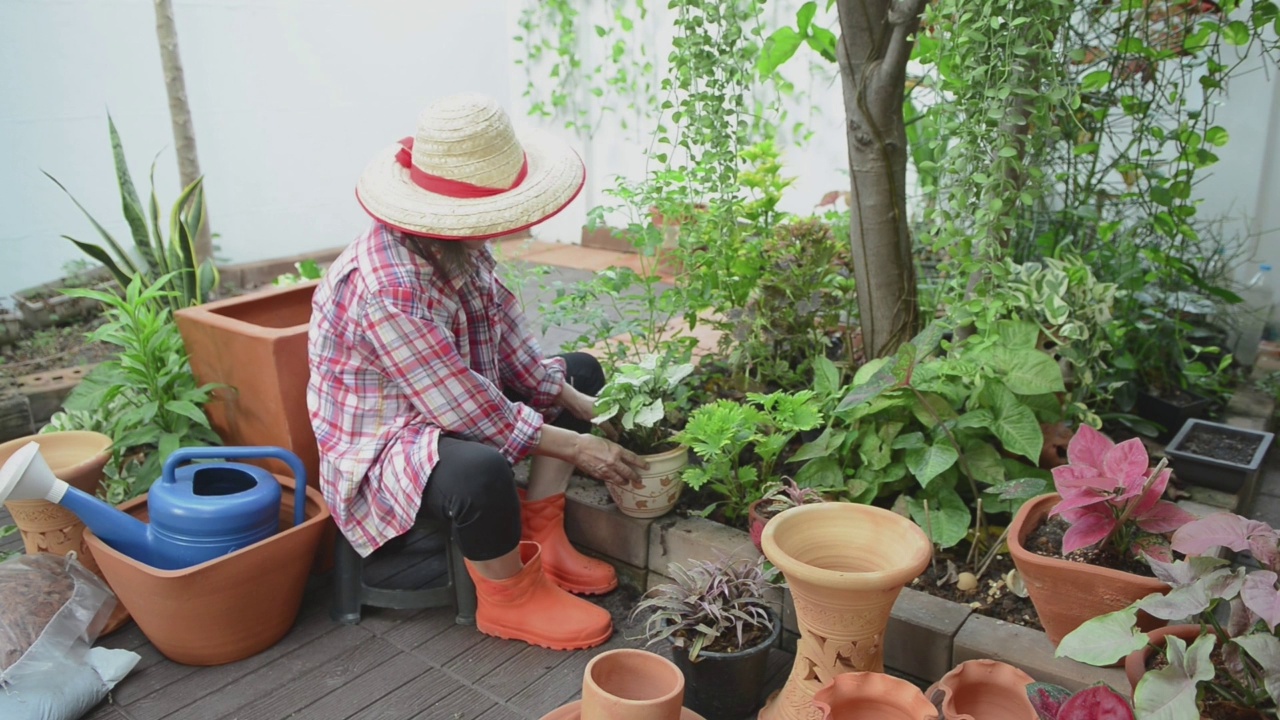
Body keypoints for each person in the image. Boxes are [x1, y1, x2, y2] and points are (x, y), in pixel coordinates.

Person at [306, 93, 648, 651]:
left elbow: (509, 345)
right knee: (480, 472)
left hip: (450, 400)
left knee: (581, 372)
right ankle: (508, 597)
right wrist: (577, 447)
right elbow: (460, 408)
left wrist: (575, 401)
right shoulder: (387, 284)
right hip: (386, 439)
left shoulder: (460, 248)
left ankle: (544, 534)